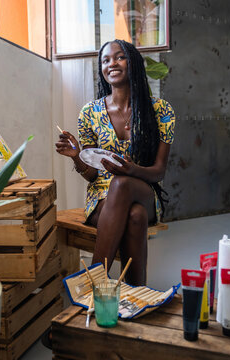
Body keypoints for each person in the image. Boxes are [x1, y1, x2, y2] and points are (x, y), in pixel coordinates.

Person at [56, 39, 175, 286]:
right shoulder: (89, 113)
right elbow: (91, 176)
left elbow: (159, 171)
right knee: (136, 216)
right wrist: (77, 156)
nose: (112, 63)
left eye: (119, 57)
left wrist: (132, 170)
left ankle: (93, 281)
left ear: (132, 62)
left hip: (143, 189)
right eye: (105, 60)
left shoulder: (161, 111)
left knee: (122, 184)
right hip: (101, 199)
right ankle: (136, 292)